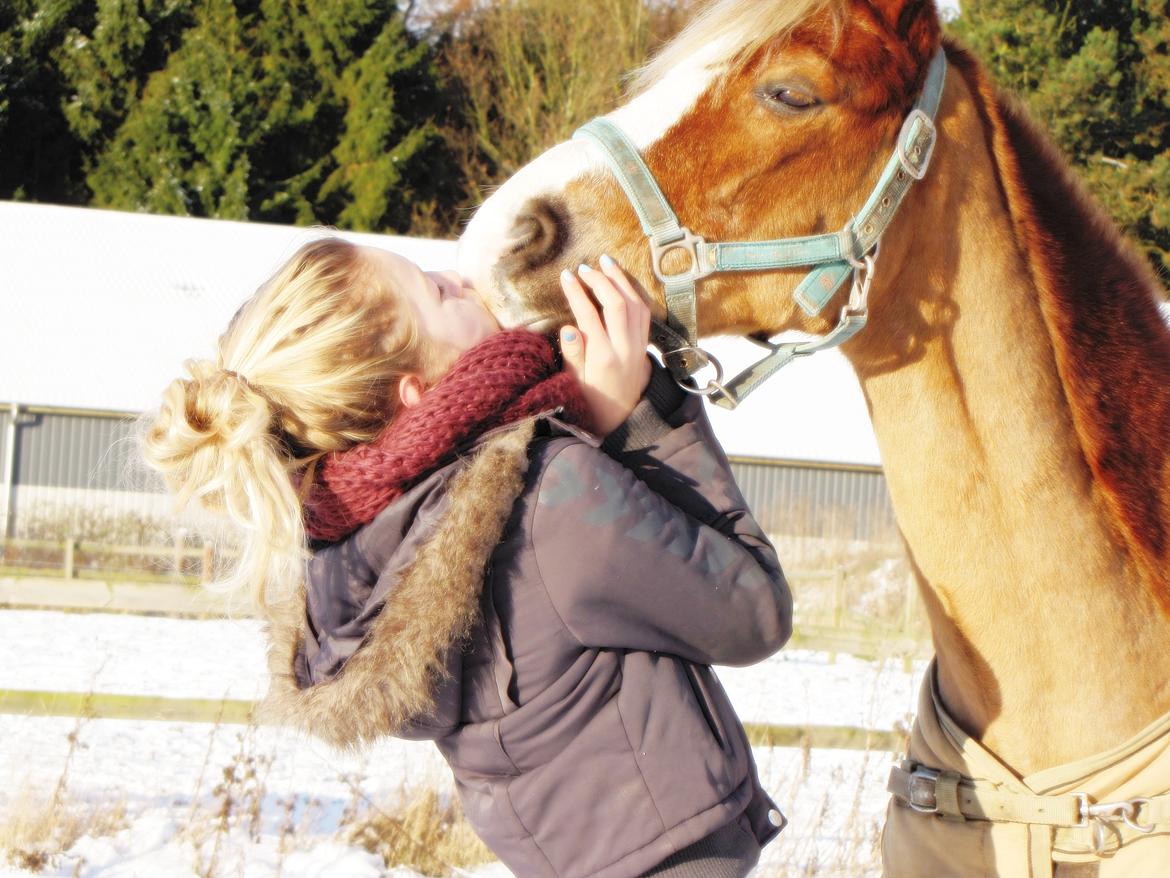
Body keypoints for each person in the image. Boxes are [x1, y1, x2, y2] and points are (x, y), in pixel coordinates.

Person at [142, 236, 793, 877]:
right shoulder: (546, 497)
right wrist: (641, 418)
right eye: (435, 290)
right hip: (677, 855)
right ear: (414, 391)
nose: (459, 277)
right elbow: (755, 612)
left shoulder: (355, 551)